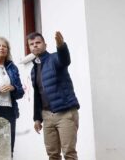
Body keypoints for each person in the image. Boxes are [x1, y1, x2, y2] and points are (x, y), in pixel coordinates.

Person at [28, 31, 80, 160]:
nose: (35, 45)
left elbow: (65, 59)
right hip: (47, 116)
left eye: (38, 42)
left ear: (45, 45)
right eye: (32, 44)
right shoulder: (34, 69)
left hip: (65, 113)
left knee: (69, 153)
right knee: (52, 155)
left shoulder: (55, 59)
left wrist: (61, 46)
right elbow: (38, 95)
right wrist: (37, 118)